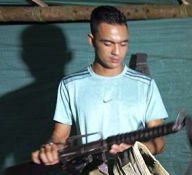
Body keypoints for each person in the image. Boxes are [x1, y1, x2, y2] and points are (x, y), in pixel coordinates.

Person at [32, 5, 168, 166]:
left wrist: (136, 148)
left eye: (123, 44)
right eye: (108, 43)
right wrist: (51, 149)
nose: (117, 52)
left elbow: (159, 142)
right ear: (92, 40)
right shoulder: (70, 84)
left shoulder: (145, 85)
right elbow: (60, 138)